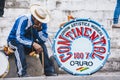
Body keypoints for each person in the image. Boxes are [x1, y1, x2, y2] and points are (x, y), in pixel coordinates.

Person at [7, 4, 57, 77]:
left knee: (42, 46)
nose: (41, 23)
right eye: (39, 21)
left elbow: (43, 40)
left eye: (42, 21)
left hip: (29, 43)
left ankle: (48, 71)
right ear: (34, 18)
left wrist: (39, 30)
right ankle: (22, 73)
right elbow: (19, 37)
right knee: (19, 47)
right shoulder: (23, 20)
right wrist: (33, 44)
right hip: (14, 41)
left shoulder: (42, 23)